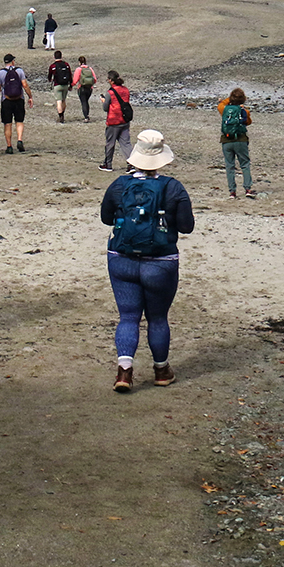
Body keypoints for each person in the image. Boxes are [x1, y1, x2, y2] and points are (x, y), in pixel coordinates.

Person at [100, 129, 195, 391]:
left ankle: (124, 372)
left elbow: (106, 219)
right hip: (161, 262)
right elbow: (186, 227)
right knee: (158, 317)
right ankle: (161, 370)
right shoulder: (173, 188)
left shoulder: (119, 185)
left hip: (122, 259)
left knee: (128, 317)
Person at [217, 87, 255, 198]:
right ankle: (247, 189)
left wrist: (228, 100)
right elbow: (248, 122)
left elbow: (221, 104)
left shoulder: (224, 109)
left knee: (229, 166)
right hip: (240, 140)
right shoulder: (244, 111)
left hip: (226, 140)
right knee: (245, 164)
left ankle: (232, 192)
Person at [0, 53, 34, 154]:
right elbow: (25, 85)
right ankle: (19, 140)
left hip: (6, 100)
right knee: (19, 121)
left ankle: (9, 146)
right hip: (19, 99)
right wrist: (30, 96)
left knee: (7, 124)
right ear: (12, 61)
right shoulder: (19, 71)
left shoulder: (1, 73)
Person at [99, 70, 132, 172]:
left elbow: (105, 108)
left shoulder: (110, 93)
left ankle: (108, 164)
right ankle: (131, 164)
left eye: (108, 79)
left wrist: (104, 101)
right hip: (125, 120)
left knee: (110, 143)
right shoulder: (125, 90)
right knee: (126, 143)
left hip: (114, 121)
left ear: (111, 80)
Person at [46, 50, 73, 123]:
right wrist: (71, 84)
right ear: (61, 56)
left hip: (57, 85)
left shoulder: (53, 66)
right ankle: (63, 113)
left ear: (54, 57)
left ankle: (60, 116)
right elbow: (70, 74)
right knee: (63, 100)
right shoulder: (66, 64)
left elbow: (49, 75)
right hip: (65, 84)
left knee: (59, 101)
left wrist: (50, 80)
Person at [72, 55, 98, 122]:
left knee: (83, 102)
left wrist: (71, 85)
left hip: (82, 88)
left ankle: (86, 117)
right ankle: (87, 115)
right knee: (86, 101)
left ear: (79, 62)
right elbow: (95, 79)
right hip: (89, 88)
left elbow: (75, 80)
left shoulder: (78, 69)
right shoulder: (90, 68)